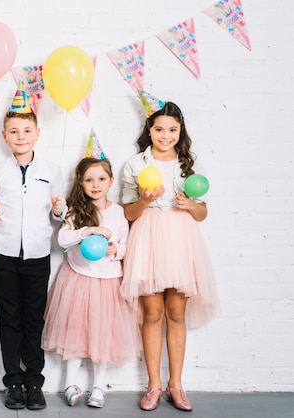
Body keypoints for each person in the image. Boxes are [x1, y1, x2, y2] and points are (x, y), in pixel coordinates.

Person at [120, 91, 219, 412]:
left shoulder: (189, 164)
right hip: (147, 239)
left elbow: (202, 212)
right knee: (152, 313)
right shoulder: (136, 164)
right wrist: (146, 200)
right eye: (159, 129)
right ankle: (153, 385)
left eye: (172, 130)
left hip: (181, 240)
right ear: (149, 130)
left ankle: (176, 384)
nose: (166, 136)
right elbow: (128, 214)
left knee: (176, 313)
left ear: (181, 132)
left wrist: (190, 204)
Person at [0, 83, 65, 410]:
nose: (20, 136)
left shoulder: (51, 171)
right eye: (14, 131)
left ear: (37, 133)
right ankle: (13, 382)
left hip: (37, 256)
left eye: (26, 130)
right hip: (2, 255)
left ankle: (35, 381)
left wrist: (60, 210)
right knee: (9, 318)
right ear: (4, 136)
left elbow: (60, 215)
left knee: (34, 319)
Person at [41, 134, 141, 409]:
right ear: (81, 183)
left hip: (108, 283)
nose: (95, 185)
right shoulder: (76, 211)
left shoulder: (119, 212)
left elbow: (125, 245)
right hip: (78, 279)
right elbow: (62, 241)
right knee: (75, 332)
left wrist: (115, 251)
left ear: (110, 181)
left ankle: (98, 387)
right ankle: (69, 384)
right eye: (88, 180)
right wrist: (89, 230)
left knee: (103, 336)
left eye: (101, 179)